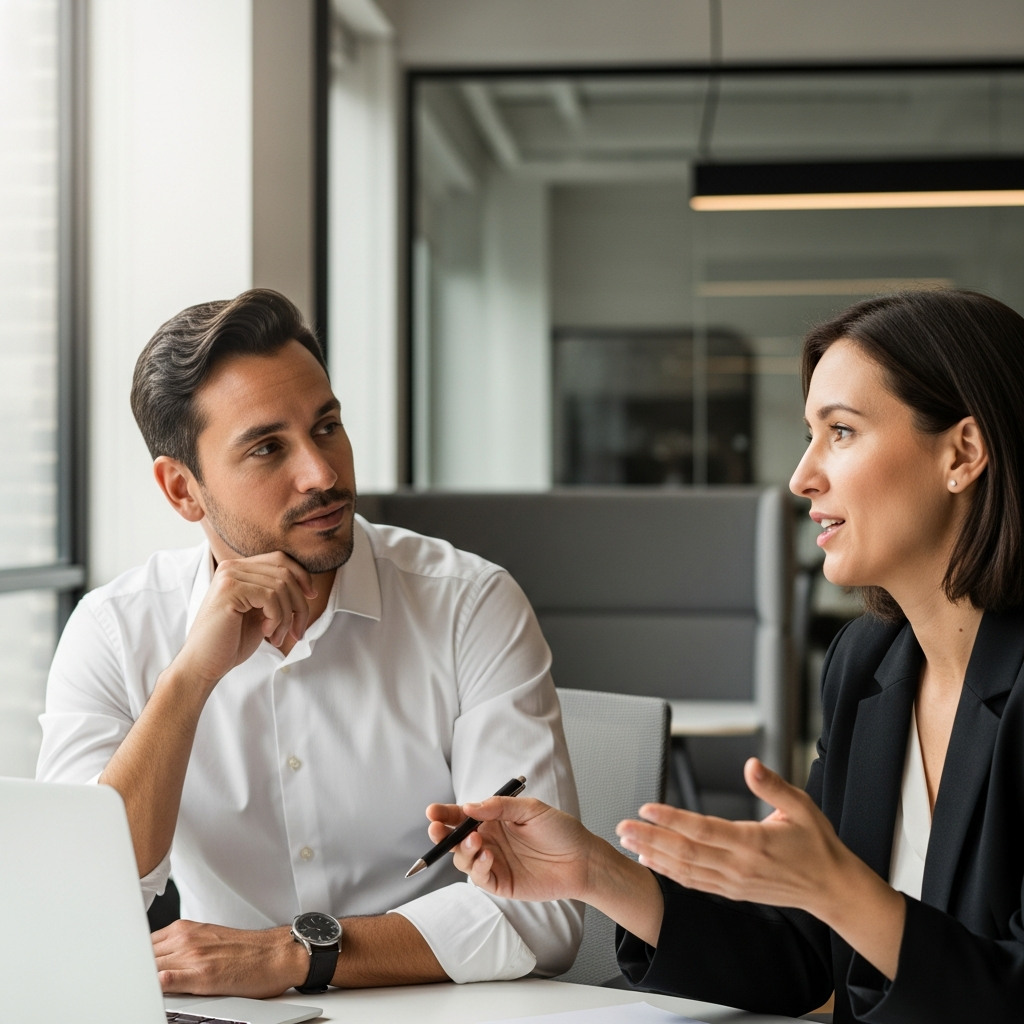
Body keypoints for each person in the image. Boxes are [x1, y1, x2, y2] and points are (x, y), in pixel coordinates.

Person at [428, 289, 1024, 1023]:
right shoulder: (868, 666)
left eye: (840, 431)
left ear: (962, 453)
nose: (802, 477)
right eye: (810, 434)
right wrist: (596, 872)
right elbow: (805, 957)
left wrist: (834, 886)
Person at [36, 289, 581, 996]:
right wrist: (189, 680)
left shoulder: (468, 604)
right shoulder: (115, 629)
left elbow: (548, 911)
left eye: (327, 427)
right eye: (267, 448)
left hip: (435, 1007)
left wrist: (293, 954)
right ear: (182, 491)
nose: (323, 474)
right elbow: (72, 904)